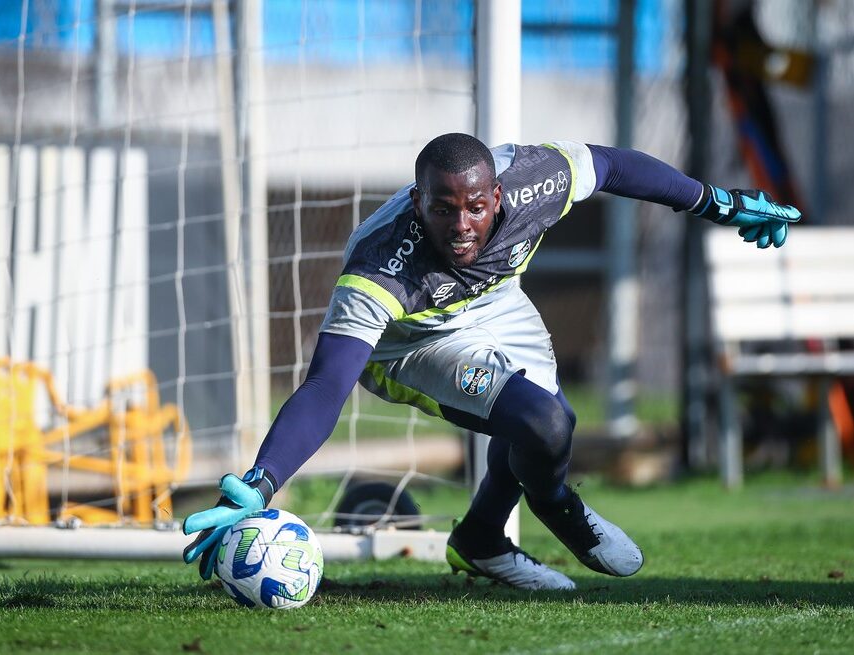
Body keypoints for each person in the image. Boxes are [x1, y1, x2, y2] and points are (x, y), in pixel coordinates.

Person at [183, 133, 800, 590]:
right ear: (415, 202)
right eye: (441, 209)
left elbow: (610, 165)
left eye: (475, 207)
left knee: (545, 421)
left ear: (498, 195)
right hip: (414, 342)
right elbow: (325, 386)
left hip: (498, 304)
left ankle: (480, 539)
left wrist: (713, 201)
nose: (460, 225)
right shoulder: (380, 269)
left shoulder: (536, 181)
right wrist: (263, 480)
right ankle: (558, 507)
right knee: (546, 423)